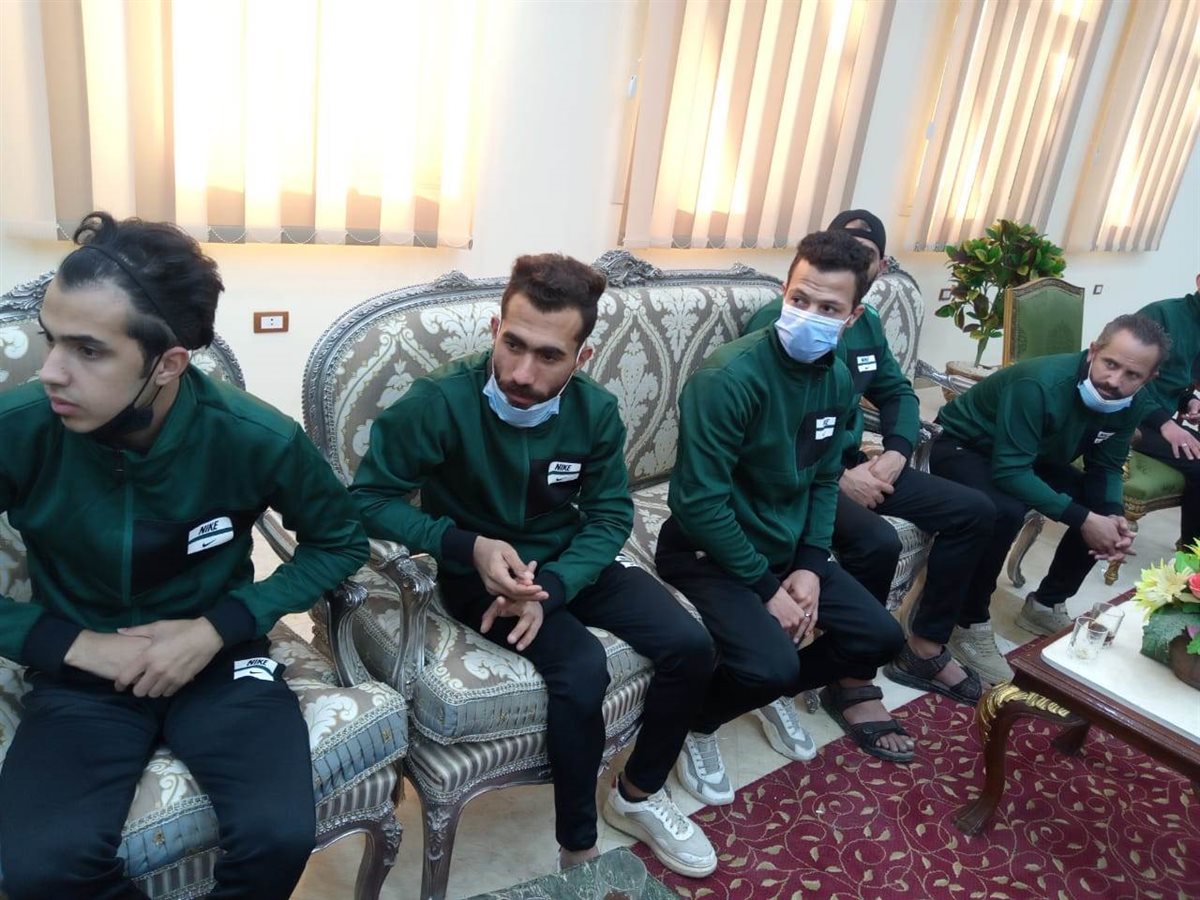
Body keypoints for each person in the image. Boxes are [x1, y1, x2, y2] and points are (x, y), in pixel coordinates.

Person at [0, 212, 369, 899]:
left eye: (88, 351)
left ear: (168, 363)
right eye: (52, 340)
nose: (50, 372)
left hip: (222, 661)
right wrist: (76, 645)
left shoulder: (255, 436)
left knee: (278, 834)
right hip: (80, 672)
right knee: (39, 868)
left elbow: (340, 539)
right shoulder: (18, 429)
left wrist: (218, 627)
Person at [350, 254, 718, 877]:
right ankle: (578, 846)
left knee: (691, 645)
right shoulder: (439, 400)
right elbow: (367, 500)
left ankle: (638, 794)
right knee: (581, 667)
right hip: (479, 573)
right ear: (495, 330)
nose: (522, 372)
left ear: (582, 356)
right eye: (513, 344)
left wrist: (554, 584)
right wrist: (464, 545)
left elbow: (609, 513)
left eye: (549, 355)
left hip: (565, 562)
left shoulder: (595, 410)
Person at [657, 229, 911, 797]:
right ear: (784, 291)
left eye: (829, 308)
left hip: (782, 546)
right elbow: (698, 503)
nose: (808, 316)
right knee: (771, 666)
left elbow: (823, 478)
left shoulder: (838, 377)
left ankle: (758, 694)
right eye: (800, 299)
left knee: (879, 637)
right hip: (705, 550)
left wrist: (811, 565)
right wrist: (767, 587)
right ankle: (700, 721)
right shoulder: (727, 378)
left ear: (853, 316)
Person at [744, 209, 1003, 692]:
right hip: (806, 474)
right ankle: (850, 677)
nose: (849, 259)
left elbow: (897, 391)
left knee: (976, 510)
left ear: (879, 267)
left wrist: (896, 451)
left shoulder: (867, 324)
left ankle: (924, 646)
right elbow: (763, 428)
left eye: (862, 254)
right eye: (839, 248)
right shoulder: (784, 322)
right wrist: (841, 479)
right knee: (877, 542)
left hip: (859, 461)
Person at [931, 314, 1168, 636]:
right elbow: (1010, 471)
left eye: (1132, 374)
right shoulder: (1039, 383)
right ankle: (968, 622)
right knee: (1004, 510)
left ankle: (1046, 604)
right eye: (1110, 364)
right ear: (1094, 351)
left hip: (1033, 455)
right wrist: (1083, 519)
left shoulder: (1133, 402)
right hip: (965, 445)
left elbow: (1106, 466)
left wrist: (1111, 515)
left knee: (1100, 508)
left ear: (1149, 377)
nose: (1115, 381)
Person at [1133, 275, 1200, 547]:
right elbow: (1125, 380)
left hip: (1157, 419)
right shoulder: (1160, 315)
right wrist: (1165, 423)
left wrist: (1190, 401)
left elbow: (1177, 381)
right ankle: (1191, 556)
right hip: (1124, 419)